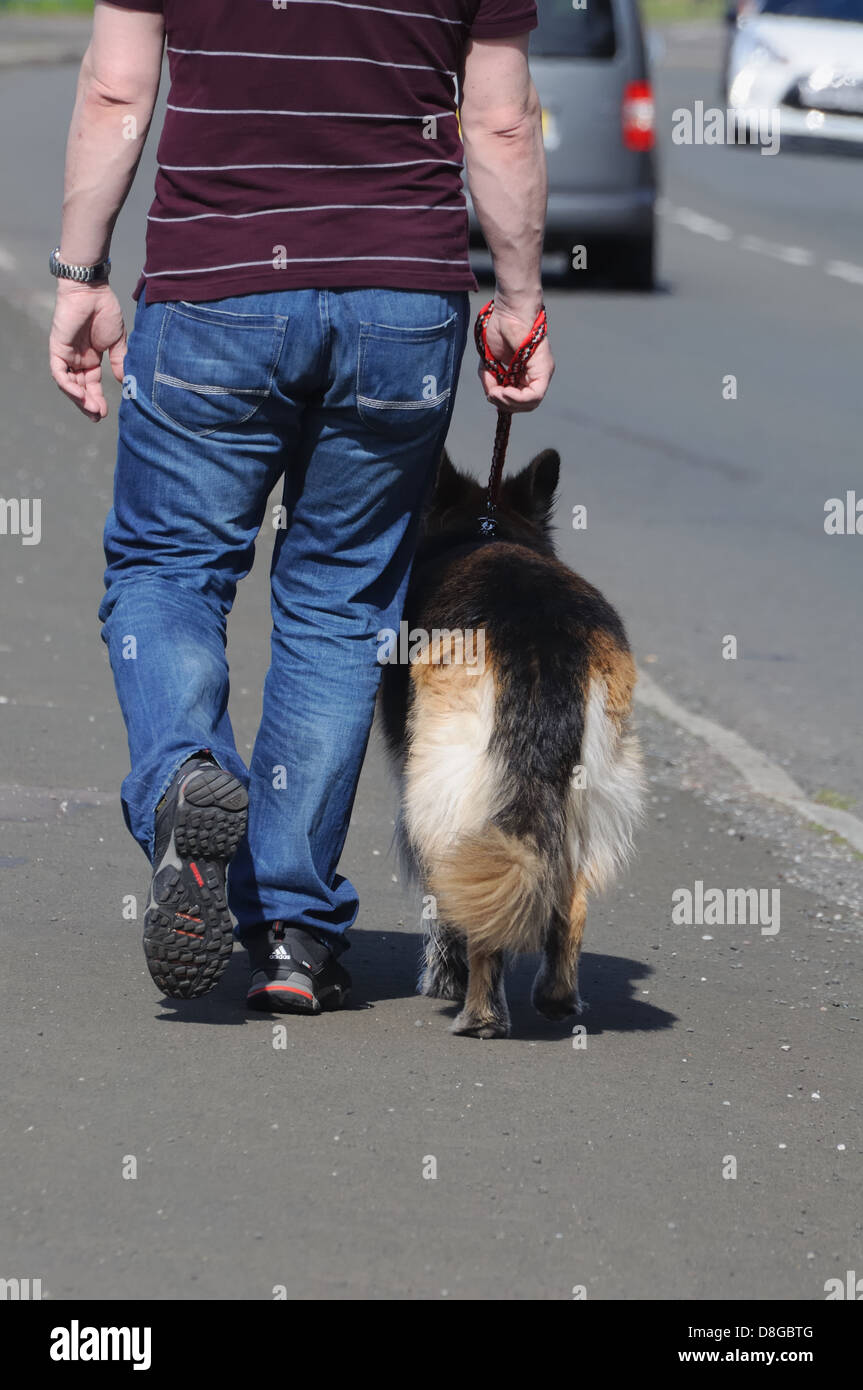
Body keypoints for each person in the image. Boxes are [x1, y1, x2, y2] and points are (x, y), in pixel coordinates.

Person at [48, 0, 554, 1014]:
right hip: (401, 309)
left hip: (212, 295)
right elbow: (496, 120)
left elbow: (115, 89)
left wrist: (80, 271)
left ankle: (183, 779)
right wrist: (516, 298)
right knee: (337, 607)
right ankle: (291, 930)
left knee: (166, 573)